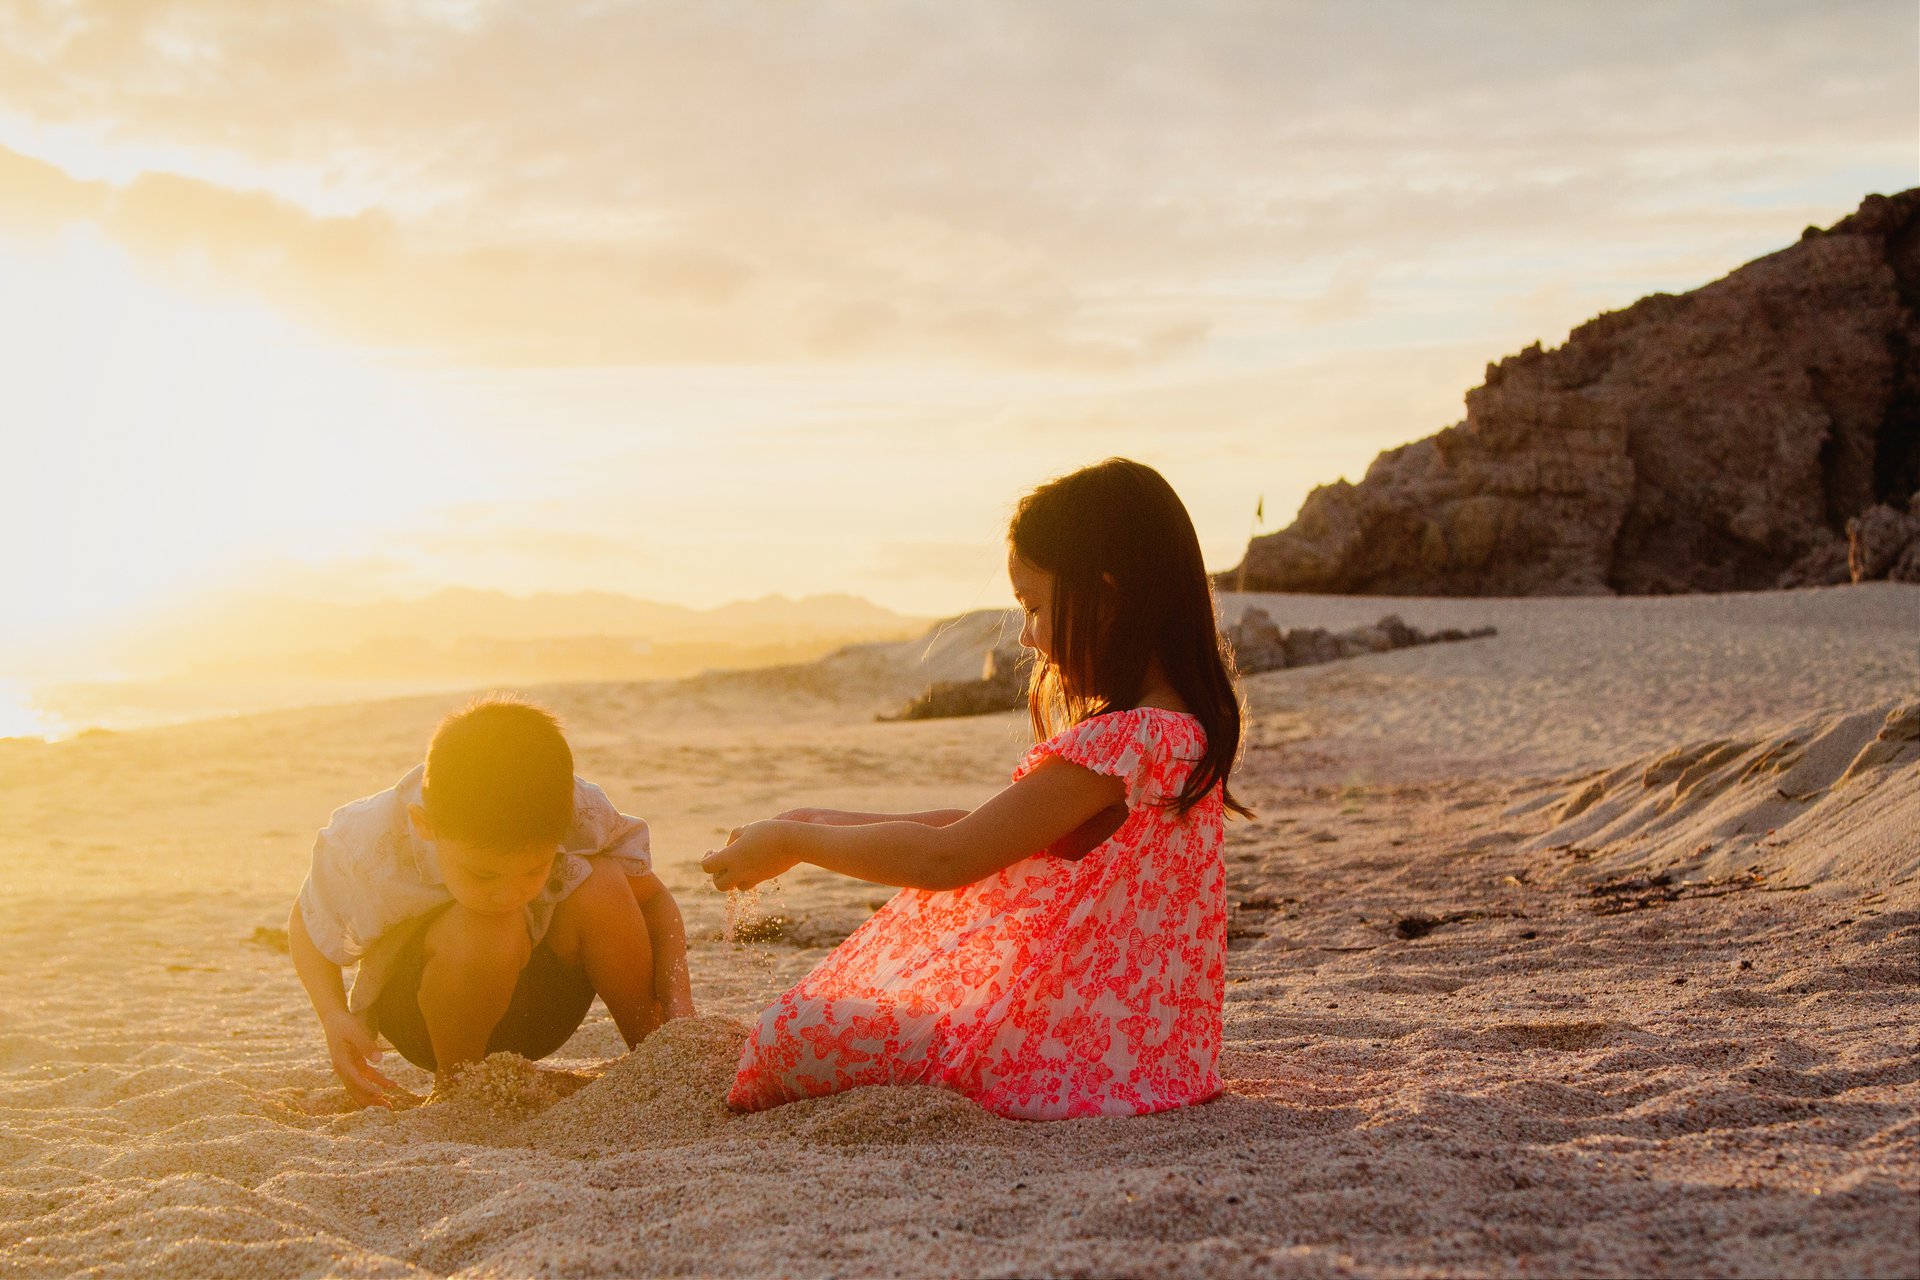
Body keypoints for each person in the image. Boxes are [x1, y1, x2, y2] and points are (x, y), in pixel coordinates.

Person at [704, 457, 1250, 1119]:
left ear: (1107, 598)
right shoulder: (1181, 735)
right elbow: (981, 829)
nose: (1027, 636)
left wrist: (796, 841)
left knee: (784, 1037)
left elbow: (949, 857)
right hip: (1151, 1053)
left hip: (1071, 1057)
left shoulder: (1125, 743)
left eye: (1035, 607)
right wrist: (808, 821)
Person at [289, 695, 693, 1106]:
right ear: (425, 825)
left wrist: (678, 1002)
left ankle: (656, 1051)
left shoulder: (575, 809)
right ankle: (458, 1090)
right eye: (483, 874)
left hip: (543, 1008)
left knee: (603, 882)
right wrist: (333, 1016)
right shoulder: (372, 838)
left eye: (533, 870)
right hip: (425, 1015)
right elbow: (308, 920)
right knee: (491, 924)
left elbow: (653, 900)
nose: (509, 894)